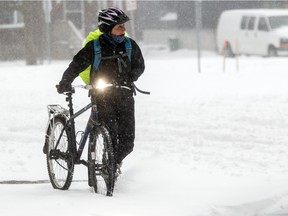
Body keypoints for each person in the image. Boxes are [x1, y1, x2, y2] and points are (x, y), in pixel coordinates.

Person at [56, 7, 145, 174]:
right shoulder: (94, 47)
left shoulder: (130, 45)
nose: (123, 29)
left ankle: (114, 162)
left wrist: (131, 77)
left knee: (128, 142)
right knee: (110, 134)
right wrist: (65, 81)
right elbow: (76, 65)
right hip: (102, 96)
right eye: (119, 26)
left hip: (125, 95)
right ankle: (108, 166)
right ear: (107, 28)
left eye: (123, 26)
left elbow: (140, 66)